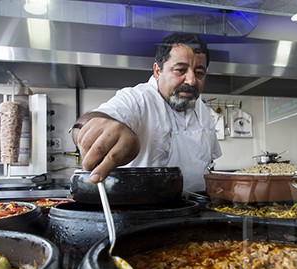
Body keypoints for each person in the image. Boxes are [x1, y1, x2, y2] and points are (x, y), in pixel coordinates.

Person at [70, 32, 222, 192]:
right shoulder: (138, 99)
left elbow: (209, 164)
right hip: (142, 210)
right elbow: (89, 122)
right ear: (157, 71)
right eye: (180, 70)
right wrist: (96, 127)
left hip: (197, 209)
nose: (191, 80)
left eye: (199, 73)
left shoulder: (203, 110)